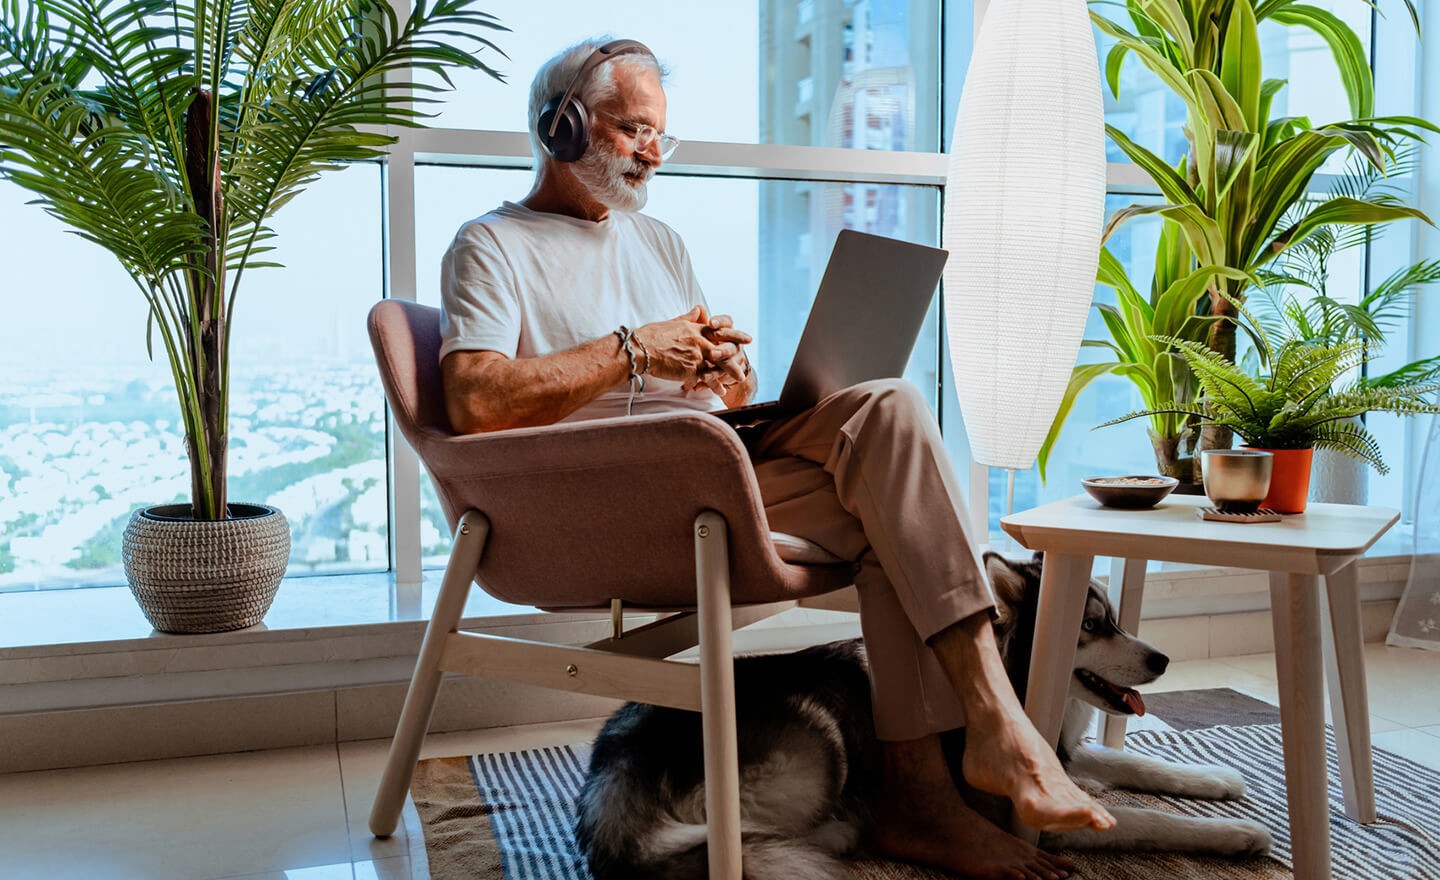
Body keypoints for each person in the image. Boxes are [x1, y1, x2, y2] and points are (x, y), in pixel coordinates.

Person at [438, 36, 1114, 880]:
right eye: (632, 129)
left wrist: (730, 379)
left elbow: (695, 387)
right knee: (895, 516)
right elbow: (474, 399)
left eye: (660, 135)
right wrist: (634, 351)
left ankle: (940, 783)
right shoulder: (492, 245)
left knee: (890, 413)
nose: (652, 151)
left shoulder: (659, 242)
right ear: (562, 126)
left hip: (711, 467)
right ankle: (979, 750)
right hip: (614, 500)